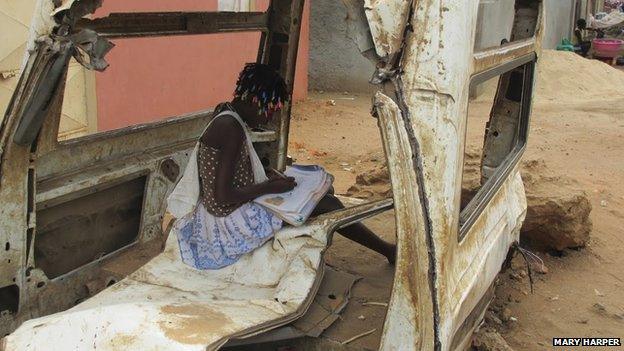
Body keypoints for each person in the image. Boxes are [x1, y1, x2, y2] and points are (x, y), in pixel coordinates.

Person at [163, 63, 396, 270]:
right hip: (228, 223)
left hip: (226, 210)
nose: (270, 117)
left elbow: (230, 174)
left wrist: (267, 178)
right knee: (327, 203)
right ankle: (387, 250)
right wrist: (270, 187)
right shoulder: (230, 129)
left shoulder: (226, 113)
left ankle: (385, 249)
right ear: (256, 102)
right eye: (271, 109)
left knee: (322, 194)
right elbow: (223, 197)